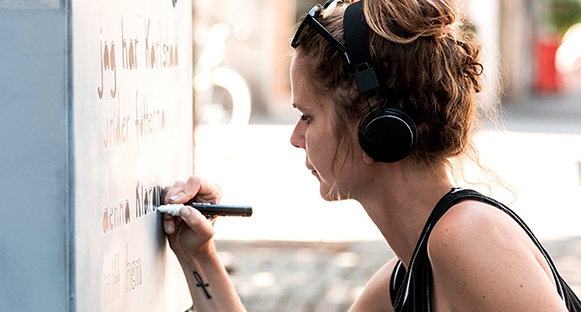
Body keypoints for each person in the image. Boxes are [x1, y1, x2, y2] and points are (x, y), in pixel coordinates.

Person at [162, 0, 581, 311]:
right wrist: (198, 253)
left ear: (376, 128)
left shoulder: (468, 237)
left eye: (307, 116)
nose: (295, 138)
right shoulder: (403, 279)